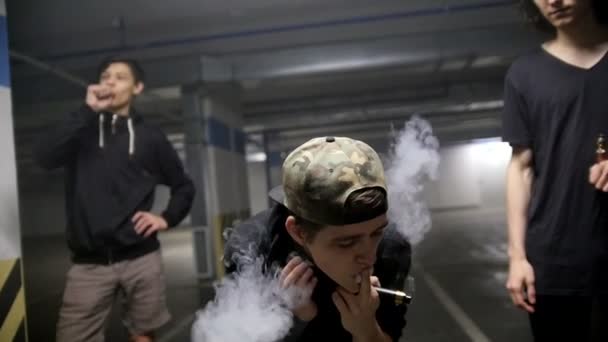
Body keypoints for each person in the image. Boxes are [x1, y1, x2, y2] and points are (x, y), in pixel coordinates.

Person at [35, 57, 195, 342]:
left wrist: (166, 217)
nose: (110, 81)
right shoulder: (80, 132)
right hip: (89, 264)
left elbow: (183, 186)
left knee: (142, 335)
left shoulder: (150, 137)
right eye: (106, 76)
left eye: (120, 77)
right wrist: (87, 111)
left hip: (141, 257)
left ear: (137, 87)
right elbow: (44, 157)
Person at [224, 136, 411, 341]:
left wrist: (366, 329)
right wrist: (294, 321)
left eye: (376, 233)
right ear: (299, 233)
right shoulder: (254, 250)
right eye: (346, 243)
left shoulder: (391, 246)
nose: (370, 258)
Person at [503, 0, 608, 340]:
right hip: (554, 263)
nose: (553, 0)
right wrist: (518, 257)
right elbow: (520, 168)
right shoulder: (525, 74)